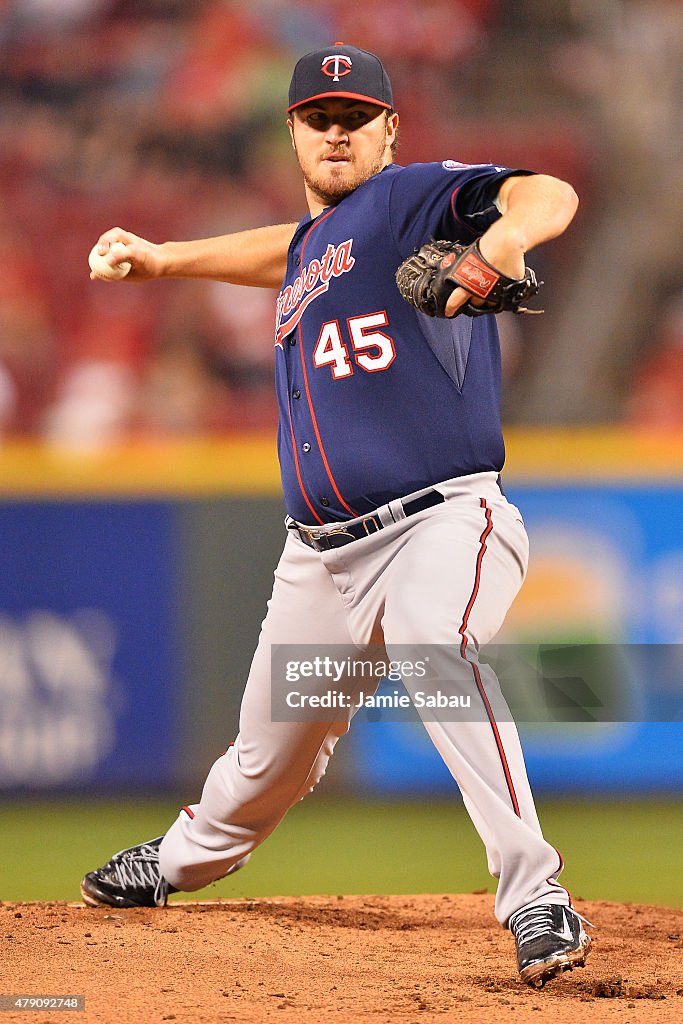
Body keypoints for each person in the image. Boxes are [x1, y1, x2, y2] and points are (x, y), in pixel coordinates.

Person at [81, 44, 590, 988]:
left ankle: (534, 894)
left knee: (438, 649)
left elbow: (543, 189)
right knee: (264, 755)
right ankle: (182, 860)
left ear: (391, 130)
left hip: (440, 523)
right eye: (319, 116)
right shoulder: (320, 246)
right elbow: (283, 249)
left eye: (356, 115)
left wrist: (503, 243)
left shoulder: (410, 200)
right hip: (321, 558)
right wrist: (165, 259)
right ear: (293, 132)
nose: (337, 130)